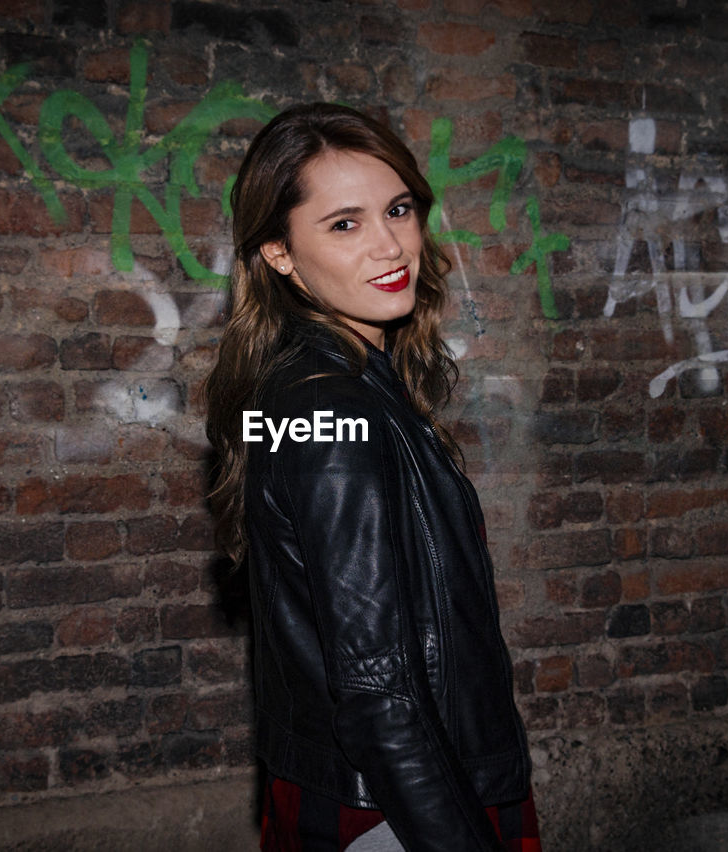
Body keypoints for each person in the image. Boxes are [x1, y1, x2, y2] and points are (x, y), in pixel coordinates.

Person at [203, 103, 538, 852]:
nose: (391, 246)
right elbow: (379, 692)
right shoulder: (333, 410)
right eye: (344, 224)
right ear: (280, 253)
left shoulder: (315, 387)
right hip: (400, 811)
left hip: (374, 792)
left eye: (399, 210)